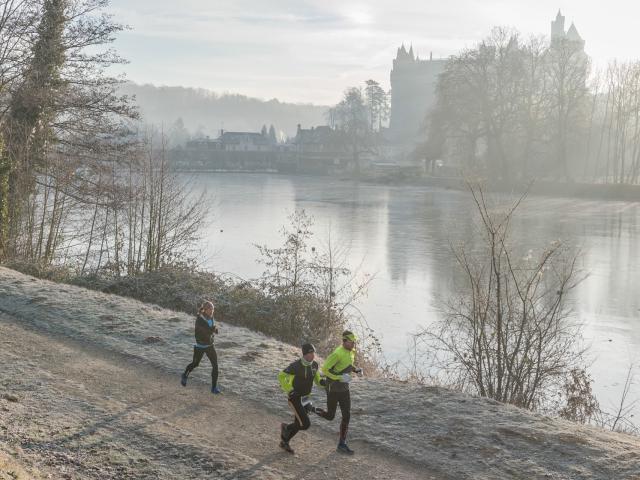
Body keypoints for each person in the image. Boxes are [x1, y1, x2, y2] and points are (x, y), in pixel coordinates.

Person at [316, 330, 362, 454]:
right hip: (333, 388)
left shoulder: (351, 352)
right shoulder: (337, 353)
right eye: (351, 342)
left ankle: (342, 443)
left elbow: (347, 364)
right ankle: (311, 408)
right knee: (330, 416)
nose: (354, 344)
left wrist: (355, 369)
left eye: (354, 342)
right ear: (345, 341)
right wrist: (339, 377)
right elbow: (325, 369)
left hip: (344, 389)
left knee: (347, 415)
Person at [277, 343, 325, 454]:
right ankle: (286, 428)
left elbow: (318, 381)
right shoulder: (296, 365)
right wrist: (289, 390)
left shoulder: (314, 366)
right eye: (310, 353)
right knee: (305, 424)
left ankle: (284, 442)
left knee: (299, 424)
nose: (313, 355)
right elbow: (281, 376)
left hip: (305, 399)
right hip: (294, 398)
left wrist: (325, 383)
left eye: (313, 352)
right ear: (304, 354)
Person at [180, 300, 221, 394]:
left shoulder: (211, 317)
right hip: (200, 345)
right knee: (195, 364)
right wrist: (211, 330)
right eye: (210, 309)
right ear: (205, 309)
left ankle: (214, 388)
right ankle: (185, 375)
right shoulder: (199, 319)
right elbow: (203, 331)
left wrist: (215, 329)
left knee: (215, 366)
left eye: (213, 309)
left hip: (210, 345)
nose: (211, 311)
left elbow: (211, 327)